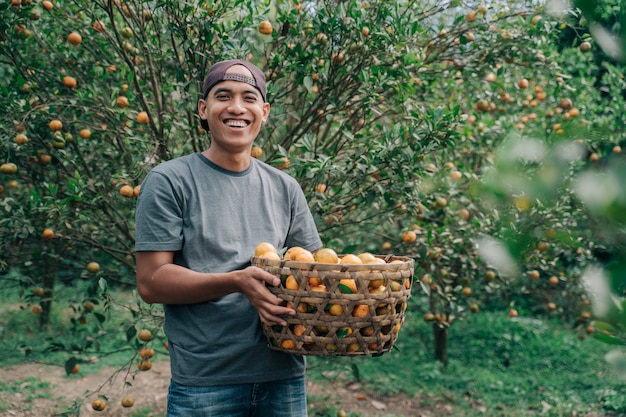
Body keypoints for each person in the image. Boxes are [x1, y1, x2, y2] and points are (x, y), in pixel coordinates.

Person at [134, 59, 322, 416]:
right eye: (224, 96)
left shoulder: (285, 188)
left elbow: (316, 273)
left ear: (263, 112)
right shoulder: (170, 181)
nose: (237, 107)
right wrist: (237, 282)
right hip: (206, 382)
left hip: (283, 374)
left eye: (249, 98)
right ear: (204, 110)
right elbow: (152, 282)